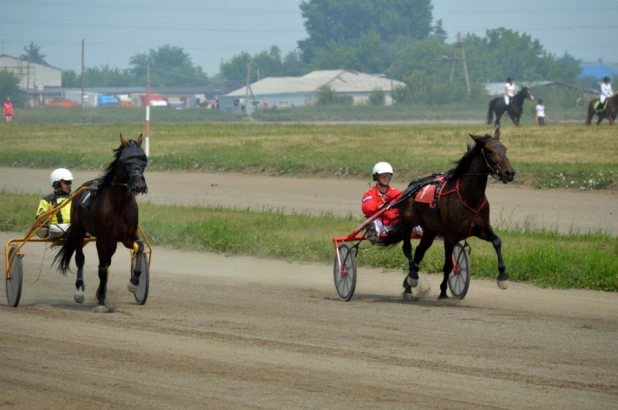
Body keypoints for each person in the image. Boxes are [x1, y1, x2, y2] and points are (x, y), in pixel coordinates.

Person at [362, 162, 404, 244]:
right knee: (374, 225)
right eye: (383, 176)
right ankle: (372, 234)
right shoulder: (369, 194)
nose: (386, 178)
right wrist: (380, 207)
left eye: (388, 176)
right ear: (377, 177)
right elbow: (367, 208)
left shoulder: (396, 193)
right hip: (379, 223)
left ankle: (434, 231)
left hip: (394, 224)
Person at [35, 168, 75, 238]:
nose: (69, 185)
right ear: (57, 184)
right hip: (57, 228)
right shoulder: (47, 200)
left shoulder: (75, 198)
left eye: (70, 182)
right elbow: (39, 221)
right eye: (67, 182)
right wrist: (49, 212)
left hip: (74, 227)